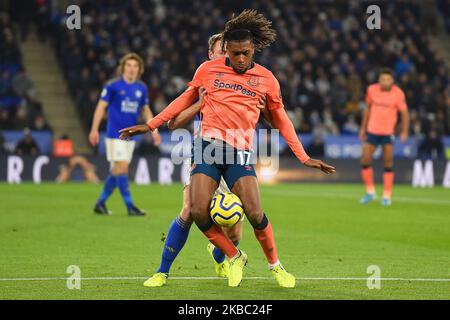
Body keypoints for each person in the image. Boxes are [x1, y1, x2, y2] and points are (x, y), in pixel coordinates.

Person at [120, 10, 335, 288]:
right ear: (226, 52)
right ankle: (229, 258)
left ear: (253, 49)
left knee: (254, 214)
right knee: (196, 210)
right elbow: (182, 100)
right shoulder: (207, 70)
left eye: (245, 53)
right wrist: (150, 125)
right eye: (234, 54)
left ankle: (276, 266)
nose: (240, 59)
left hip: (239, 151)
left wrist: (303, 157)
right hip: (207, 147)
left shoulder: (267, 79)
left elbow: (280, 119)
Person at [143, 33, 268, 287]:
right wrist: (200, 103)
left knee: (234, 226)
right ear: (211, 55)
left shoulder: (250, 81)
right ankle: (162, 271)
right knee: (189, 210)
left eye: (230, 50)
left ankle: (221, 255)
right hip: (206, 155)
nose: (228, 54)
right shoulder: (205, 79)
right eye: (222, 50)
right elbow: (173, 123)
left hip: (236, 156)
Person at [89, 53, 161, 216]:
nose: (131, 69)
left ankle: (100, 203)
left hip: (131, 136)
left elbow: (145, 110)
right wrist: (94, 129)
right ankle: (130, 206)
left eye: (135, 66)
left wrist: (153, 129)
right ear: (123, 68)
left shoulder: (141, 88)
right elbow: (101, 107)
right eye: (128, 65)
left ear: (139, 69)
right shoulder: (113, 85)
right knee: (122, 168)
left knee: (117, 171)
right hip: (115, 134)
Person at [359, 68, 410, 206]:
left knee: (388, 162)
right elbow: (367, 109)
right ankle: (370, 192)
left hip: (388, 133)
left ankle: (387, 196)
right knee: (365, 160)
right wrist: (363, 128)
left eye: (388, 79)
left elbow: (404, 114)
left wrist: (405, 131)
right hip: (372, 131)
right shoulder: (372, 90)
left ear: (392, 81)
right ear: (379, 80)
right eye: (382, 79)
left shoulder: (398, 93)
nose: (385, 82)